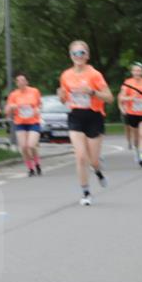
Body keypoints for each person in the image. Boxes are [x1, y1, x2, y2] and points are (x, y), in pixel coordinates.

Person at [58, 41, 113, 206]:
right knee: (81, 156)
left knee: (93, 160)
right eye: (75, 53)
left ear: (87, 56)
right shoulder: (66, 75)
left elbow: (109, 98)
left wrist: (92, 92)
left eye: (82, 53)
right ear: (71, 56)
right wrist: (61, 96)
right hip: (75, 116)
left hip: (94, 117)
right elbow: (64, 99)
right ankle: (86, 192)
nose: (78, 56)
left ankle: (98, 172)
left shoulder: (94, 74)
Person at [118, 61, 142, 168]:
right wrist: (131, 98)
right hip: (132, 113)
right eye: (135, 70)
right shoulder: (127, 83)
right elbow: (121, 97)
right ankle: (136, 150)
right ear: (132, 72)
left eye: (139, 71)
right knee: (136, 137)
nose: (137, 73)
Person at [5, 73, 42, 176]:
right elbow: (7, 111)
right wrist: (11, 108)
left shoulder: (34, 91)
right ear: (16, 83)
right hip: (20, 123)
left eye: (23, 80)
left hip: (33, 122)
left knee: (31, 145)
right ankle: (30, 168)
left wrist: (38, 109)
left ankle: (37, 164)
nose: (21, 82)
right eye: (18, 81)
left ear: (26, 82)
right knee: (24, 147)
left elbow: (40, 105)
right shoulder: (13, 95)